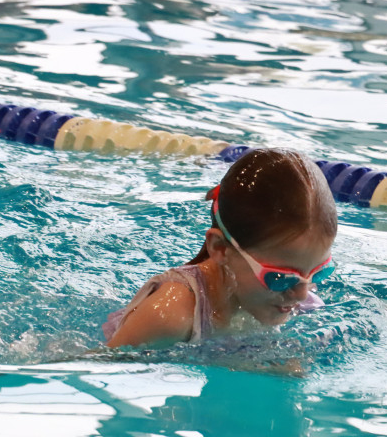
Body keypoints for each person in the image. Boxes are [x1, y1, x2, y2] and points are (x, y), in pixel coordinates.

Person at [104, 147, 338, 348]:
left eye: (318, 272)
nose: (302, 294)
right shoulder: (170, 315)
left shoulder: (301, 304)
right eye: (281, 278)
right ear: (220, 249)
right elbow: (98, 368)